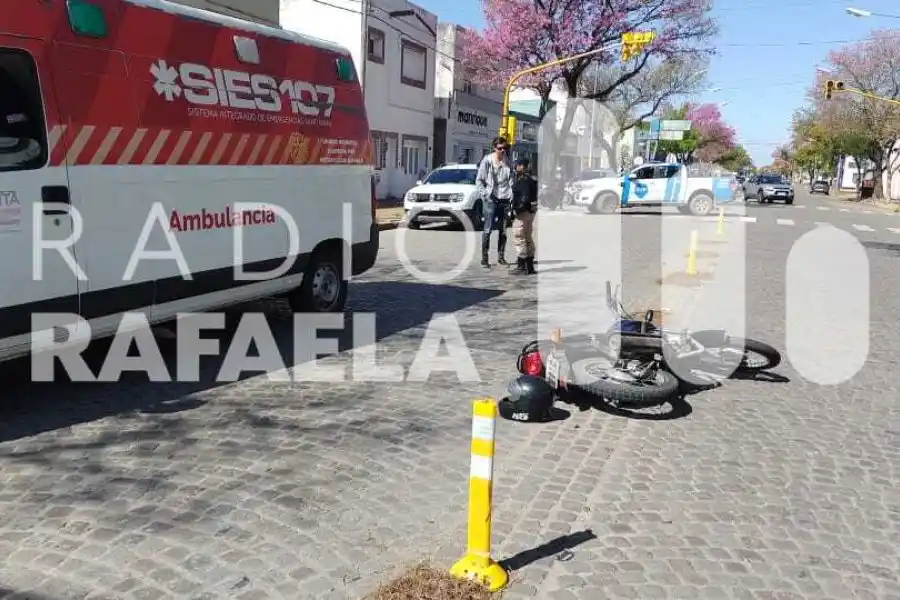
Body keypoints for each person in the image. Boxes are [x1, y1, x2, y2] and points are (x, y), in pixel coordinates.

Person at [475, 136, 515, 268]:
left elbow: (511, 178)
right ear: (494, 148)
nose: (502, 151)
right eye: (500, 148)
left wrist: (511, 193)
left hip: (504, 199)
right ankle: (484, 258)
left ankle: (501, 256)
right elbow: (479, 180)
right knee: (488, 228)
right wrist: (485, 194)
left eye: (505, 148)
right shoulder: (487, 161)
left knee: (503, 230)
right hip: (491, 199)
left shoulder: (507, 161)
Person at [509, 157, 537, 275]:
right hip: (530, 212)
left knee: (519, 237)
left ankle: (522, 266)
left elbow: (524, 198)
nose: (515, 168)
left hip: (523, 212)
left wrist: (515, 211)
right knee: (527, 237)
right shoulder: (530, 179)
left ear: (521, 166)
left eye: (517, 165)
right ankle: (529, 266)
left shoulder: (523, 180)